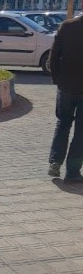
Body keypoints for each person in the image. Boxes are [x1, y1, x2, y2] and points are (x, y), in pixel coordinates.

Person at [47, 13, 83, 183]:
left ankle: (55, 162)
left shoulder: (67, 26)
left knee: (63, 124)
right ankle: (73, 172)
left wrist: (57, 79)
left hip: (66, 86)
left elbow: (53, 55)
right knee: (81, 131)